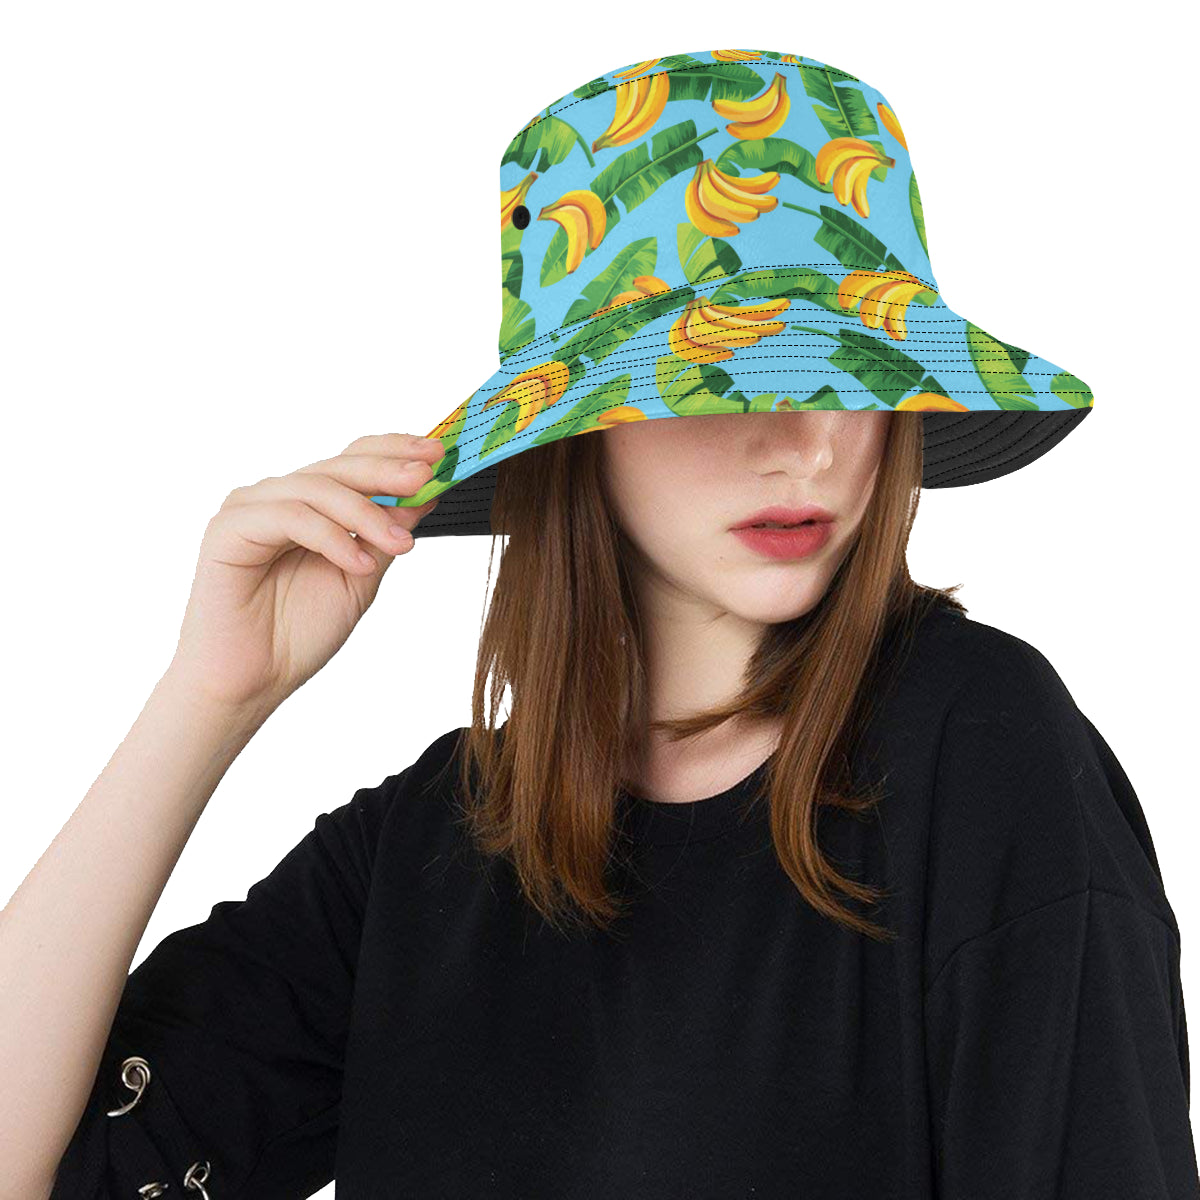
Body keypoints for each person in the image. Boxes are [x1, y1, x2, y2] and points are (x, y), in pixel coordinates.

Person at [5, 43, 1196, 1199]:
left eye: (851, 374)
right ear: (579, 427)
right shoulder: (436, 845)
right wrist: (210, 699)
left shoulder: (980, 749)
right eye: (722, 373)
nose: (808, 442)